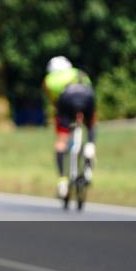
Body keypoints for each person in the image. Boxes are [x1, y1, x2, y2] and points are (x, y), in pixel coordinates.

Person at [42, 56, 97, 199]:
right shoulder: (79, 72)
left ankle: (62, 181)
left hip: (66, 98)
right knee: (91, 121)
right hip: (87, 96)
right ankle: (90, 145)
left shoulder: (49, 80)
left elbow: (54, 102)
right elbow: (89, 88)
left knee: (61, 142)